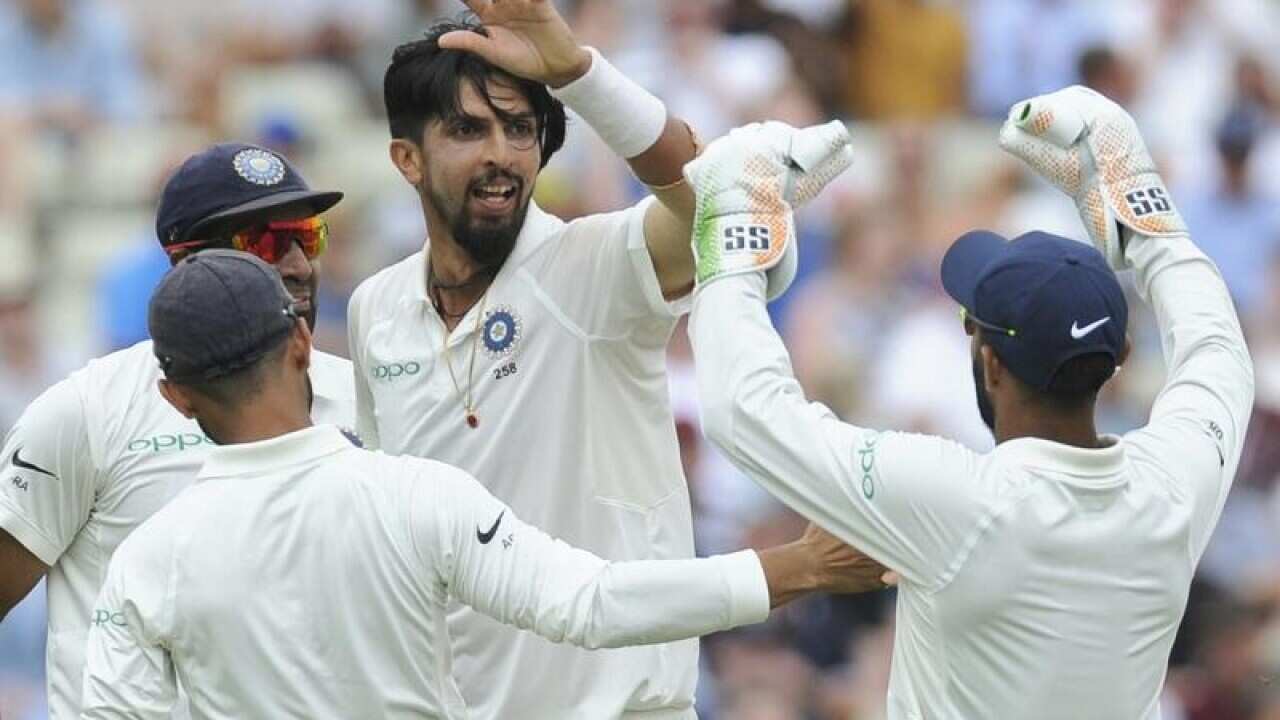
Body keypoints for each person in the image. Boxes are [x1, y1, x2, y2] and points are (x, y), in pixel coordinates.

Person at [81, 249, 890, 719]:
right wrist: (802, 567)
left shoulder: (146, 563)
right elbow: (593, 604)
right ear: (301, 344)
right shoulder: (415, 497)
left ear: (174, 393)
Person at [347, 3, 856, 717]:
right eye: (468, 129)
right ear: (407, 158)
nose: (501, 153)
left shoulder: (584, 268)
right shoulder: (375, 307)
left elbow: (716, 202)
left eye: (520, 128)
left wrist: (577, 72)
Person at [686, 87, 1254, 717]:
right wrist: (1139, 203)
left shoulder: (953, 499)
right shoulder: (1175, 485)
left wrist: (733, 226)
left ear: (988, 362)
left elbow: (743, 409)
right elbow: (1219, 351)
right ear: (1120, 357)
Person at [0, 143, 357, 719]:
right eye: (263, 243)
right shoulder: (88, 411)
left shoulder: (365, 401)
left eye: (306, 236)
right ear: (185, 263)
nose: (296, 265)